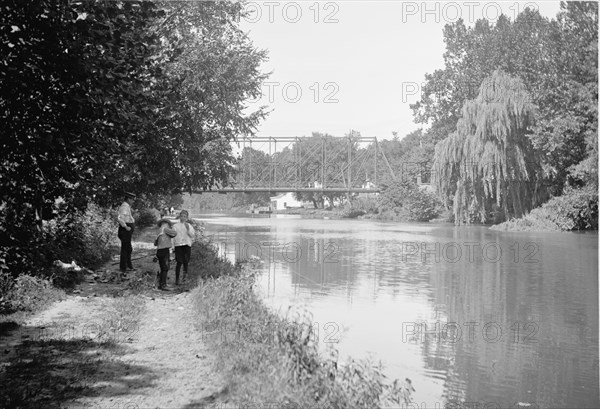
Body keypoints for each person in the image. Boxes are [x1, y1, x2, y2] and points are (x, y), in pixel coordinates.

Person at [172, 210, 195, 285]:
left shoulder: (189, 226)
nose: (183, 218)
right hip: (178, 245)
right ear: (179, 217)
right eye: (182, 216)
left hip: (187, 245)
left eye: (185, 216)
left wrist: (188, 230)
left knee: (186, 262)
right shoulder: (175, 226)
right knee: (179, 262)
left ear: (187, 218)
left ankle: (184, 279)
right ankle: (177, 279)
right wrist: (172, 247)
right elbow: (172, 237)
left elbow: (192, 236)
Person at [155, 218, 177, 290]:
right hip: (164, 250)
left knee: (163, 267)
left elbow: (155, 243)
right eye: (168, 224)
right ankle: (163, 285)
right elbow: (175, 233)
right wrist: (172, 228)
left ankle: (161, 283)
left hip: (160, 250)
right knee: (165, 268)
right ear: (166, 224)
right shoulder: (165, 229)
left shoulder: (160, 230)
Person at [117, 192, 136, 274]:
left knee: (128, 248)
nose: (133, 201)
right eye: (132, 199)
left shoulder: (127, 206)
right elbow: (120, 218)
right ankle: (123, 267)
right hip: (125, 231)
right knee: (125, 249)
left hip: (127, 230)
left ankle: (128, 266)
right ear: (128, 199)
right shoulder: (124, 207)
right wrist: (126, 227)